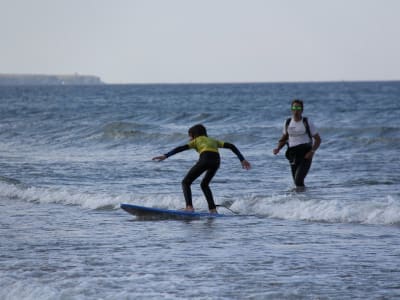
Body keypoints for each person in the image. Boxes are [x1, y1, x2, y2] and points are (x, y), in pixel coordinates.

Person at [152, 124, 251, 213]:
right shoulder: (213, 140)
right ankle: (212, 209)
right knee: (204, 185)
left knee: (185, 182)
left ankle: (189, 207)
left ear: (194, 135)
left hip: (205, 158)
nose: (189, 139)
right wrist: (242, 159)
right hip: (216, 161)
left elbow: (180, 148)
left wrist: (166, 155)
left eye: (190, 136)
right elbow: (231, 146)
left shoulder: (196, 140)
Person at [273, 99, 321, 189]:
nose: (296, 110)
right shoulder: (287, 122)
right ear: (291, 109)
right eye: (294, 107)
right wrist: (278, 148)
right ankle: (301, 200)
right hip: (293, 154)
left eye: (298, 108)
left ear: (302, 110)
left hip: (305, 154)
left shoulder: (307, 122)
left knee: (298, 180)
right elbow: (284, 138)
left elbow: (318, 139)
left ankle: (305, 200)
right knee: (296, 182)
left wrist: (312, 151)